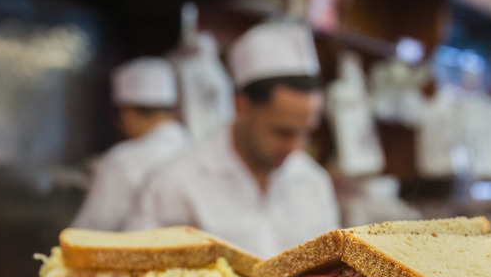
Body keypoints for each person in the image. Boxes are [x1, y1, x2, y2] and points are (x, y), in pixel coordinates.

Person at [126, 23, 340, 258]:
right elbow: (140, 276)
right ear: (241, 106)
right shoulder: (174, 183)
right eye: (283, 132)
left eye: (305, 133)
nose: (296, 147)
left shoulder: (314, 183)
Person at [71, 57, 190, 231]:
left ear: (128, 113)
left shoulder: (123, 160)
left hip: (139, 256)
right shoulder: (198, 148)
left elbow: (88, 230)